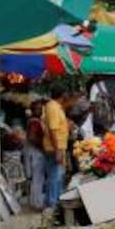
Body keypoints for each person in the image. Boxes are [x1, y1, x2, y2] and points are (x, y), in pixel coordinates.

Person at [41, 82, 71, 210]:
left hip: (57, 146)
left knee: (57, 176)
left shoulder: (55, 106)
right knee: (55, 176)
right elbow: (53, 130)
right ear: (62, 94)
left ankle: (54, 201)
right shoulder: (53, 107)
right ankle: (52, 204)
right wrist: (57, 149)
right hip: (54, 147)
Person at [25, 99, 47, 210]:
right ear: (33, 110)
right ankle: (36, 203)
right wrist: (42, 147)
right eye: (37, 109)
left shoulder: (35, 121)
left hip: (35, 152)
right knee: (37, 178)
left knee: (37, 178)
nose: (40, 110)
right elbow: (32, 138)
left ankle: (35, 201)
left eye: (41, 108)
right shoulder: (34, 122)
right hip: (36, 153)